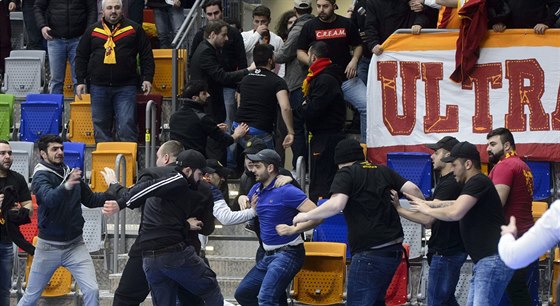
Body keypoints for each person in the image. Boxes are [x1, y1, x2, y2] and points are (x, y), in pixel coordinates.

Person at [293, 138, 424, 305]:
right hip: (394, 252)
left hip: (370, 254)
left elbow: (336, 205)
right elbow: (413, 189)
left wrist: (304, 216)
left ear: (339, 160)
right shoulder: (383, 170)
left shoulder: (346, 173)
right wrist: (425, 212)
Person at [106, 149, 223, 306]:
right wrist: (120, 203)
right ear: (188, 170)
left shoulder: (155, 175)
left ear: (167, 158)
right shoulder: (180, 180)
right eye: (200, 174)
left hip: (147, 253)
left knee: (137, 298)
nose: (202, 178)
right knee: (209, 288)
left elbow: (141, 192)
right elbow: (207, 228)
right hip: (176, 252)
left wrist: (115, 188)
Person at [405, 141, 514, 305]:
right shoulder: (474, 183)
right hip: (487, 262)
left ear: (468, 164)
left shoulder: (478, 182)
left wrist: (426, 209)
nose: (452, 169)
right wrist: (431, 204)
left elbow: (455, 212)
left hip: (491, 261)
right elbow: (455, 203)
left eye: (455, 165)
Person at [17, 135, 119, 306]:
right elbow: (49, 199)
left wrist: (114, 189)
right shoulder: (40, 176)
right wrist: (66, 186)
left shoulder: (70, 172)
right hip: (48, 247)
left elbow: (91, 200)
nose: (60, 152)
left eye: (61, 148)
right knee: (31, 297)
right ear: (43, 154)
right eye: (54, 149)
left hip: (75, 245)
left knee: (92, 290)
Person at [234, 149, 321, 305]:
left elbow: (318, 215)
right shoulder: (256, 189)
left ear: (270, 168)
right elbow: (243, 205)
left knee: (266, 298)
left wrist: (295, 229)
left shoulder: (287, 191)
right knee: (244, 294)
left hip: (288, 253)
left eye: (257, 166)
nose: (252, 169)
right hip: (266, 254)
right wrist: (241, 197)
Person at [104, 140, 184, 306]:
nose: (157, 161)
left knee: (126, 298)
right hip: (182, 246)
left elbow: (133, 197)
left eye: (157, 157)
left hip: (149, 245)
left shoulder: (153, 173)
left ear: (166, 158)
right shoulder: (190, 178)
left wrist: (113, 185)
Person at [392, 136, 466, 306]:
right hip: (448, 251)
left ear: (448, 154)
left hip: (446, 252)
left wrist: (399, 209)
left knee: (436, 302)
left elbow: (428, 219)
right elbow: (429, 219)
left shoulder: (449, 184)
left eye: (436, 152)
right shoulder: (445, 182)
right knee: (445, 300)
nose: (432, 156)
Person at [75, 0, 154, 143]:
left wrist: (147, 77)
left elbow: (146, 55)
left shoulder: (134, 29)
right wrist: (80, 81)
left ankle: (130, 164)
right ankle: (104, 163)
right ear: (102, 11)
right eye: (109, 8)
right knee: (100, 129)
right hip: (98, 87)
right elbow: (81, 56)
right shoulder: (92, 30)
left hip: (126, 87)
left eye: (117, 8)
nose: (113, 11)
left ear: (122, 10)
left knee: (126, 127)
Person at [297, 0, 368, 143]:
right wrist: (313, 62)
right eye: (318, 6)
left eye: (325, 6)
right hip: (321, 82)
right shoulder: (309, 26)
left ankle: (367, 147)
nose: (321, 10)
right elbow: (300, 51)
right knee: (315, 114)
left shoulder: (346, 24)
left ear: (334, 6)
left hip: (346, 79)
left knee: (368, 106)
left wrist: (354, 60)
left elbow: (358, 45)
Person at [190, 19, 255, 163]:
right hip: (210, 107)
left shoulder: (206, 49)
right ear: (213, 35)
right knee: (215, 147)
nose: (226, 39)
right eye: (224, 35)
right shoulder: (206, 52)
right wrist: (248, 70)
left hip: (211, 106)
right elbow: (222, 76)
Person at [486, 127, 538, 305]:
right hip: (525, 234)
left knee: (512, 292)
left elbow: (495, 204)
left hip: (512, 237)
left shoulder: (505, 166)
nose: (488, 149)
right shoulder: (523, 166)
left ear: (507, 145)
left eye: (493, 144)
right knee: (517, 290)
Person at [190, 0, 248, 130]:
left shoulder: (233, 34)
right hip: (211, 85)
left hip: (228, 83)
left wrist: (240, 87)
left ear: (222, 12)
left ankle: (228, 148)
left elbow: (241, 60)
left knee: (228, 121)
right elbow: (193, 61)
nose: (213, 17)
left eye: (216, 13)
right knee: (215, 123)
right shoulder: (201, 36)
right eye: (209, 14)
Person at [301, 41, 346, 202]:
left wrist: (304, 107)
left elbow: (314, 110)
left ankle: (320, 218)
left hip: (326, 138)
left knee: (321, 182)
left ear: (313, 57)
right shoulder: (326, 77)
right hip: (325, 136)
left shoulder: (324, 79)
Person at [273, 0, 314, 170]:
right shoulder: (317, 24)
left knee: (297, 128)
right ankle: (308, 168)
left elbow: (282, 55)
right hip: (316, 81)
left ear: (295, 10)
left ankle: (300, 169)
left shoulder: (299, 27)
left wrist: (267, 54)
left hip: (299, 83)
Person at [235, 44, 294, 151]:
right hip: (260, 130)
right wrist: (290, 131)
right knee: (267, 162)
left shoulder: (244, 79)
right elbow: (285, 107)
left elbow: (239, 104)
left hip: (238, 128)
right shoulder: (277, 81)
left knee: (249, 158)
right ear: (270, 60)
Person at [169, 80, 249, 158]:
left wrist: (212, 128)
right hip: (195, 161)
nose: (208, 95)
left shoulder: (174, 116)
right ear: (195, 98)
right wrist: (237, 134)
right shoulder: (202, 118)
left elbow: (191, 132)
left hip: (177, 160)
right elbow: (225, 140)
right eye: (204, 93)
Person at [34, 0, 97, 94]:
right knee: (56, 81)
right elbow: (38, 7)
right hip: (55, 39)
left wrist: (88, 32)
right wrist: (42, 26)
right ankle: (56, 108)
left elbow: (92, 10)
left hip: (79, 39)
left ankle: (80, 108)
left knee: (79, 80)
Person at [0, 141, 33, 306]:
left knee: (4, 288)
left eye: (9, 153)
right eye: (3, 153)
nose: (7, 157)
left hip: (6, 241)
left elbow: (29, 207)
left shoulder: (17, 179)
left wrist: (19, 211)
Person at [491, 0, 560, 34]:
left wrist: (546, 23)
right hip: (509, 34)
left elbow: (557, 4)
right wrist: (498, 21)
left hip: (537, 33)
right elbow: (495, 6)